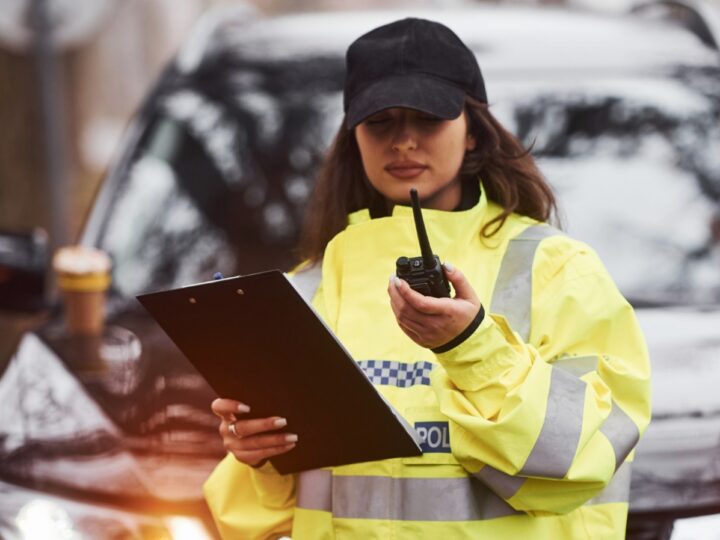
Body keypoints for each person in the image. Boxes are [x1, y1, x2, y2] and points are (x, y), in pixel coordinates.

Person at [204, 17, 651, 539]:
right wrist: (257, 455)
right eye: (381, 122)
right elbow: (254, 520)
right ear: (354, 138)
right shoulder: (308, 287)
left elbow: (580, 462)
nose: (403, 142)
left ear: (474, 132)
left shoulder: (559, 270)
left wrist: (471, 347)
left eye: (427, 118)